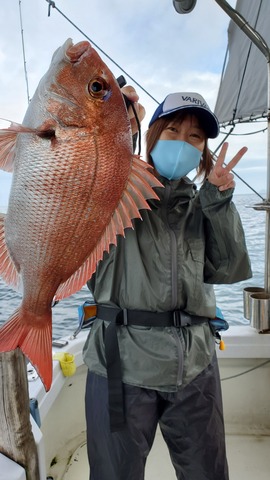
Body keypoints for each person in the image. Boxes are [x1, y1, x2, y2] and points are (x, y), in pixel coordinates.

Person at [82, 87, 252, 480]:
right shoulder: (115, 192)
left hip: (194, 367)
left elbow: (228, 268)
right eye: (173, 130)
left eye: (195, 137)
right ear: (152, 135)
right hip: (119, 364)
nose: (183, 143)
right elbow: (81, 180)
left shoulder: (205, 203)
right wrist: (111, 129)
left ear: (204, 151)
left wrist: (220, 200)